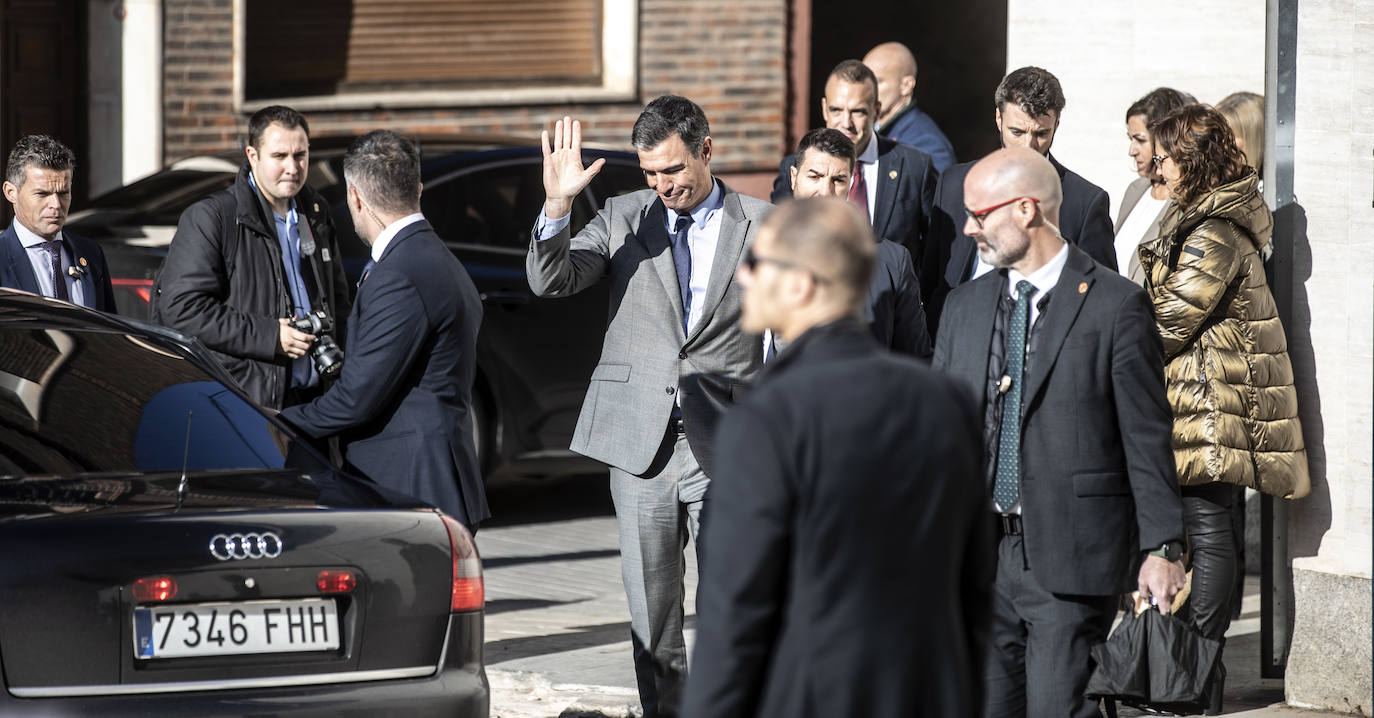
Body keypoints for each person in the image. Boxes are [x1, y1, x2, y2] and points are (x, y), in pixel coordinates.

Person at [680, 197, 992, 718]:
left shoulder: (768, 418)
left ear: (801, 284)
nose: (741, 276)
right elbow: (974, 586)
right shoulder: (946, 401)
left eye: (757, 262)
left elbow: (736, 613)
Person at [527, 96, 773, 718]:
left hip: (730, 442)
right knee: (652, 616)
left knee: (731, 605)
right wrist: (557, 205)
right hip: (642, 445)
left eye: (673, 170)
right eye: (651, 174)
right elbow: (550, 280)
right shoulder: (623, 216)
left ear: (706, 151)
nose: (663, 186)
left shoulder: (763, 225)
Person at [932, 147, 1186, 718]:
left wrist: (1163, 547)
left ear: (1026, 210)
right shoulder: (964, 306)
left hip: (1071, 557)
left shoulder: (1115, 306)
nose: (968, 228)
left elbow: (1146, 437)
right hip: (978, 558)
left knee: (1056, 708)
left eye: (979, 214)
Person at [1139, 103, 1310, 713]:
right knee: (1203, 535)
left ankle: (1194, 667)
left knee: (1209, 537)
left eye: (1163, 155)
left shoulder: (1213, 231)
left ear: (1190, 160)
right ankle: (1197, 681)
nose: (1154, 165)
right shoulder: (1200, 218)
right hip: (1200, 400)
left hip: (1214, 404)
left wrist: (1105, 337)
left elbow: (1168, 321)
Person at [279, 130, 488, 531]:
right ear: (418, 189)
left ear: (355, 197)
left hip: (411, 485)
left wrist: (282, 422)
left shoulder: (401, 273)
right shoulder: (431, 256)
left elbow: (356, 399)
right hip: (427, 479)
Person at [152, 105, 351, 410]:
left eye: (300, 155)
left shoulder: (316, 211)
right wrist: (271, 337)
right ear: (252, 155)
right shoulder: (214, 217)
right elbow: (182, 309)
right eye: (279, 156)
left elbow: (338, 302)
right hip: (245, 405)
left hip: (316, 401)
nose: (293, 168)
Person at [924, 66, 1116, 338]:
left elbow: (1101, 299)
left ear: (1057, 125)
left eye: (1040, 134)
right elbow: (931, 279)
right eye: (1017, 132)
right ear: (998, 119)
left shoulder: (1085, 202)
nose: (1029, 146)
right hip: (954, 344)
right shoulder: (954, 184)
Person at [770, 60, 937, 266]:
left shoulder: (915, 166)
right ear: (824, 109)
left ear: (876, 111)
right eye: (836, 110)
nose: (846, 123)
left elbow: (935, 248)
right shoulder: (795, 166)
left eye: (857, 111)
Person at [787, 127, 930, 357]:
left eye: (838, 180)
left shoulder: (891, 262)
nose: (826, 191)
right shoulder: (756, 249)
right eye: (814, 177)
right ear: (794, 177)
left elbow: (915, 358)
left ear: (851, 183)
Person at [0, 135, 117, 311]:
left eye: (63, 193)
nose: (56, 205)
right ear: (11, 192)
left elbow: (107, 330)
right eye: (42, 194)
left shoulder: (91, 253)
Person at [1115, 87, 1194, 284]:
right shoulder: (1136, 190)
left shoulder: (1188, 202)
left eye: (1140, 140)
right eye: (1130, 139)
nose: (1132, 151)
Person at [862, 41, 957, 173]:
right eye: (864, 81)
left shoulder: (927, 144)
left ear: (906, 85)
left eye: (878, 81)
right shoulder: (865, 131)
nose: (867, 91)